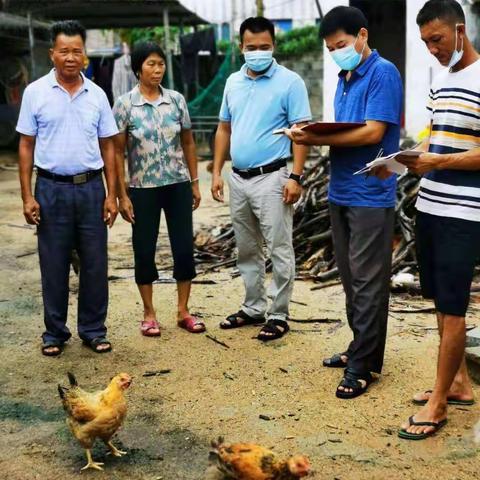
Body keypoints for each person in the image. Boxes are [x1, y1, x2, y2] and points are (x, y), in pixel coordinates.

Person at [287, 6, 403, 398]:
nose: (336, 52)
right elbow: (345, 129)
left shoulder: (383, 73)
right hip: (341, 190)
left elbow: (372, 132)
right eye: (331, 47)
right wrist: (312, 130)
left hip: (370, 193)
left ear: (362, 36)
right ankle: (362, 350)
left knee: (369, 280)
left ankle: (363, 368)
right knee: (353, 280)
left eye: (341, 44)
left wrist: (315, 139)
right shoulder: (344, 77)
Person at [391, 0, 480, 440]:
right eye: (425, 42)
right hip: (430, 204)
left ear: (460, 30)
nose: (432, 49)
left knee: (453, 305)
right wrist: (408, 159)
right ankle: (459, 383)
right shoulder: (441, 80)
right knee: (439, 304)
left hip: (465, 211)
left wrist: (438, 163)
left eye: (438, 39)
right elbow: (439, 140)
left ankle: (439, 403)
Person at [16, 20, 119, 356]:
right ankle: (54, 333)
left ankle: (93, 330)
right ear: (52, 54)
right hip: (50, 189)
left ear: (85, 55)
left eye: (77, 51)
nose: (71, 57)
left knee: (94, 264)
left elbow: (109, 147)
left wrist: (112, 194)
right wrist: (27, 195)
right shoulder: (35, 93)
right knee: (54, 263)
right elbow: (26, 146)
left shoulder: (98, 96)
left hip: (90, 189)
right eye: (64, 51)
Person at [211, 16, 311, 341]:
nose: (258, 52)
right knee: (246, 248)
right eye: (251, 47)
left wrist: (295, 176)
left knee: (279, 248)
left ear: (274, 46)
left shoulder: (290, 82)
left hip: (273, 176)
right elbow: (224, 128)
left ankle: (279, 314)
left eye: (264, 47)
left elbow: (302, 133)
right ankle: (254, 306)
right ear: (241, 47)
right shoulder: (232, 83)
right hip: (238, 178)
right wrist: (216, 171)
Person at [113, 41, 204, 337]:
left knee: (183, 248)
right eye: (151, 64)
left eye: (161, 63)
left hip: (177, 184)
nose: (157, 69)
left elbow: (188, 142)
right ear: (138, 68)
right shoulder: (125, 104)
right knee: (144, 248)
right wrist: (121, 194)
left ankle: (183, 311)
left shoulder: (176, 100)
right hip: (143, 188)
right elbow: (116, 152)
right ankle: (149, 313)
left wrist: (194, 181)